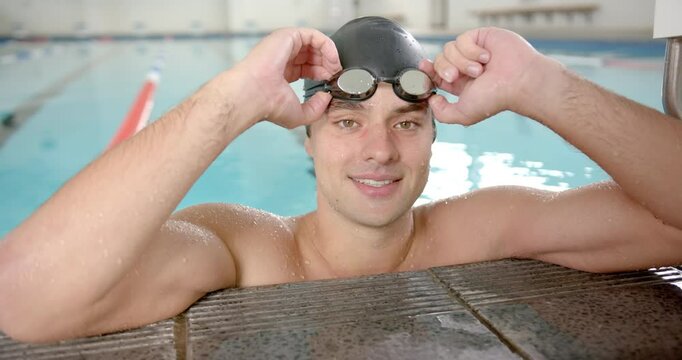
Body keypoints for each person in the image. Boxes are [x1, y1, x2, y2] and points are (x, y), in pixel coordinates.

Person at [1, 16, 681, 343]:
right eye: (349, 122)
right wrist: (229, 101)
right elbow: (25, 299)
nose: (380, 151)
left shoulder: (482, 225)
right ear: (309, 139)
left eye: (407, 124)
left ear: (433, 137)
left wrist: (544, 88)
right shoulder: (243, 249)